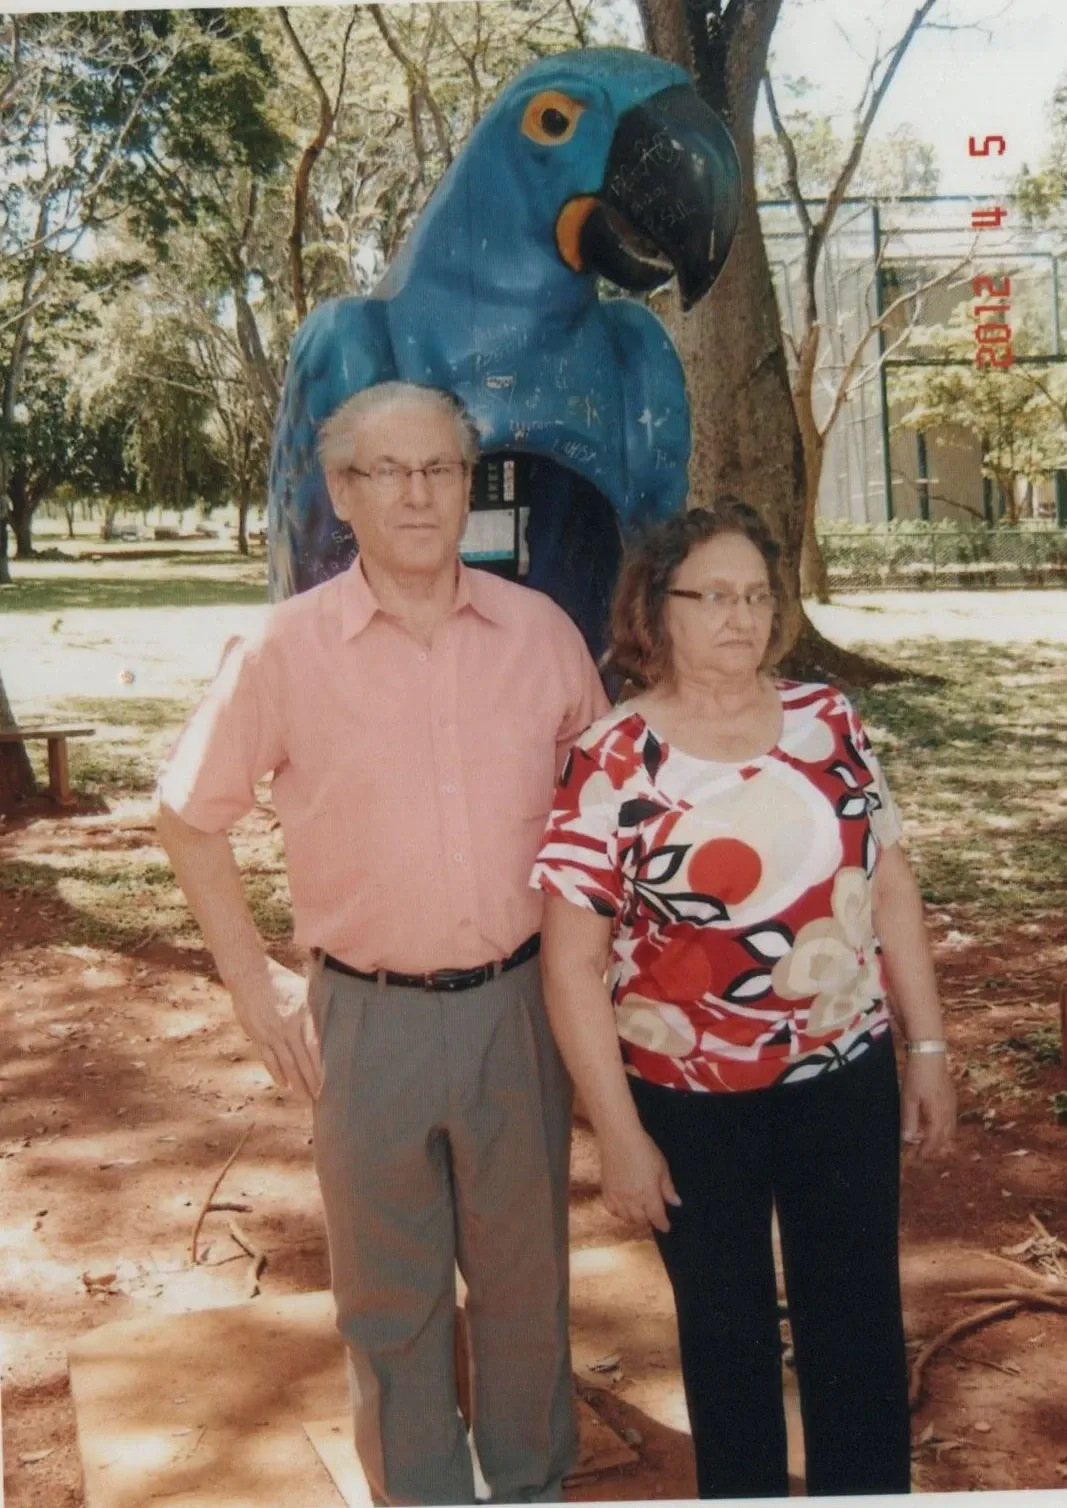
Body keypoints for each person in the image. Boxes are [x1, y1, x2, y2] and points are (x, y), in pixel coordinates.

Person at [155, 381, 609, 1506]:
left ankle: (528, 1484)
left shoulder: (541, 635)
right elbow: (187, 813)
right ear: (343, 493)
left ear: (468, 488)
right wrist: (251, 980)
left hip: (519, 1005)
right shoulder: (280, 650)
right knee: (389, 1297)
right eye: (387, 471)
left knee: (523, 1280)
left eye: (440, 470)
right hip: (362, 1017)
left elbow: (605, 820)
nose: (416, 492)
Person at [530, 496, 955, 1499]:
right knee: (725, 1339)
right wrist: (620, 1133)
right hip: (688, 1101)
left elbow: (887, 884)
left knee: (851, 1321)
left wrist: (925, 1047)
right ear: (655, 608)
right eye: (711, 594)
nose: (740, 615)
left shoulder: (826, 719)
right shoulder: (610, 759)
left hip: (839, 1071)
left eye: (757, 595)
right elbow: (568, 965)